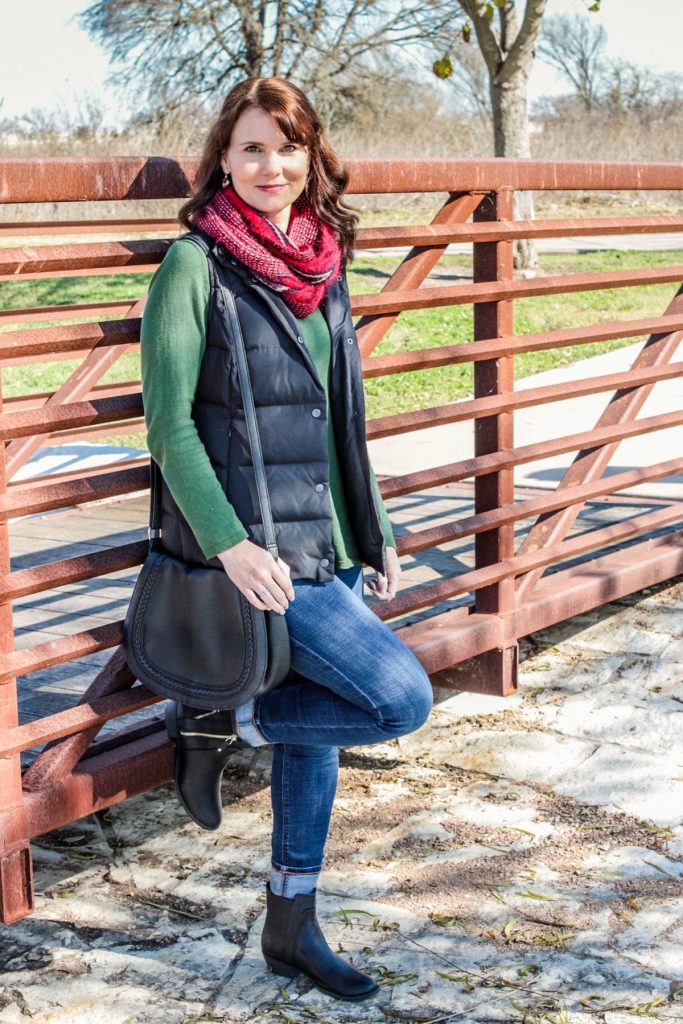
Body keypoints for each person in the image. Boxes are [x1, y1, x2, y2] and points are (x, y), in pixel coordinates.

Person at [140, 76, 433, 1002]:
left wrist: (375, 523)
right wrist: (231, 547)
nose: (273, 166)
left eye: (289, 146)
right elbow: (170, 427)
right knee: (397, 699)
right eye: (253, 147)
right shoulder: (194, 268)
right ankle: (229, 716)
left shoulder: (323, 258)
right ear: (222, 160)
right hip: (261, 555)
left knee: (322, 740)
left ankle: (290, 927)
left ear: (312, 158)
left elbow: (344, 411)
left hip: (329, 542)